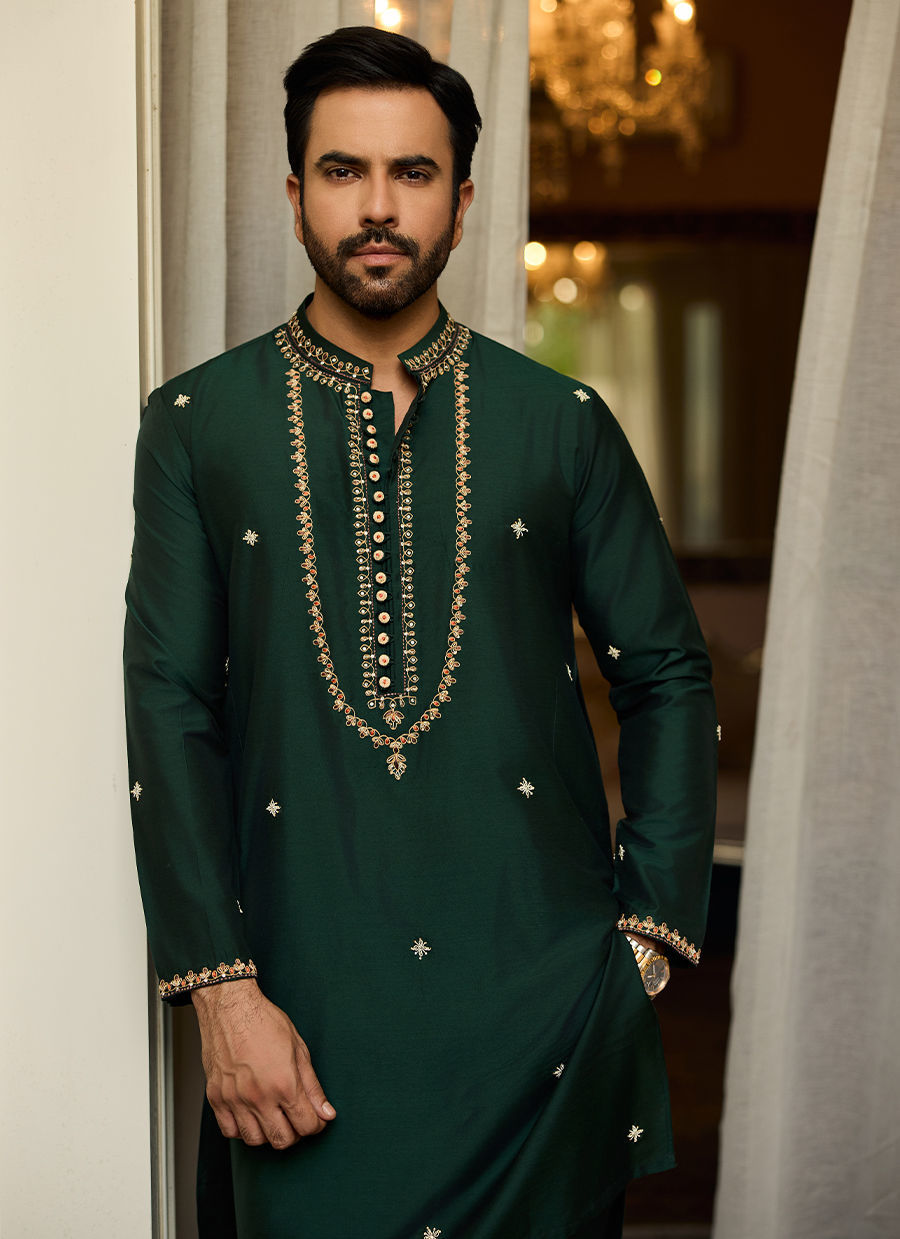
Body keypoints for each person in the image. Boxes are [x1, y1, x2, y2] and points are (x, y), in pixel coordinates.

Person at [124, 25, 717, 1239]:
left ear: (463, 199)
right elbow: (170, 710)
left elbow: (666, 673)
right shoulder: (197, 424)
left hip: (545, 1022)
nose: (378, 208)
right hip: (297, 1027)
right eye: (343, 171)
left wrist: (645, 942)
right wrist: (221, 996)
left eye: (414, 172)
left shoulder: (560, 423)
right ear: (294, 194)